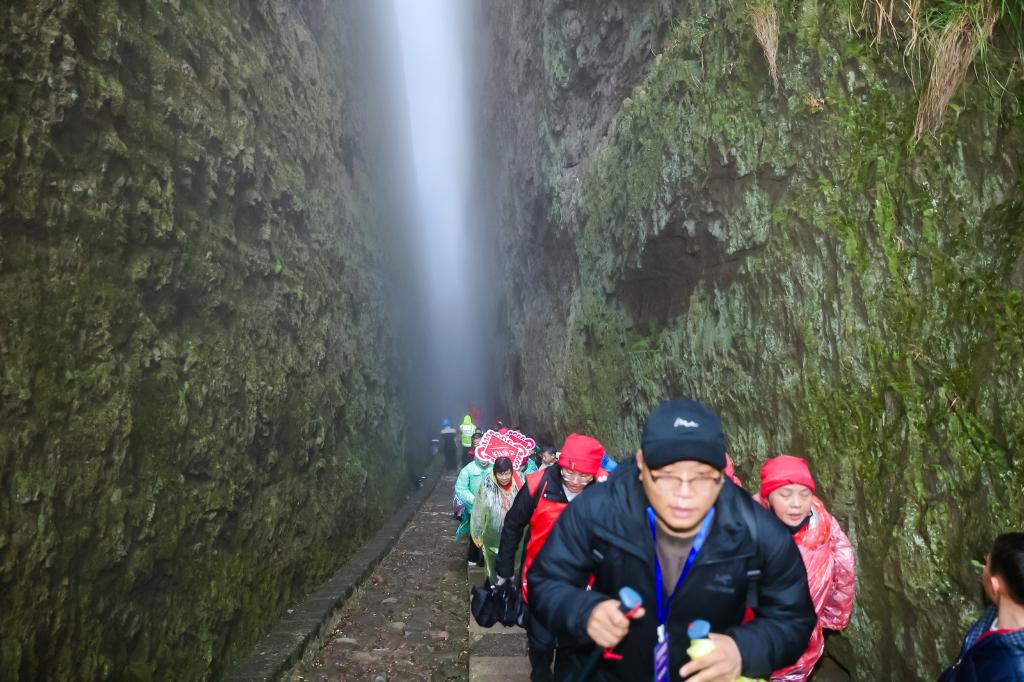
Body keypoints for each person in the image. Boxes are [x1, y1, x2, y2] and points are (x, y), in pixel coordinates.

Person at [528, 398, 816, 682]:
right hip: (612, 672)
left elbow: (793, 618)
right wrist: (585, 612)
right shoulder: (600, 510)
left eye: (702, 477)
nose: (684, 494)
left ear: (721, 474)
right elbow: (546, 579)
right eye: (667, 476)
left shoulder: (755, 530)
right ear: (641, 465)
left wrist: (742, 649)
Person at [495, 433, 607, 682]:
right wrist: (505, 570)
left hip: (582, 584)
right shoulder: (538, 484)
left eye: (584, 476)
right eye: (569, 473)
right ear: (559, 463)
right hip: (540, 579)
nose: (575, 481)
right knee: (541, 642)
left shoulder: (604, 490)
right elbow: (513, 524)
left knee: (570, 646)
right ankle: (541, 671)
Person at [755, 455, 856, 682]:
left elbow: (844, 567)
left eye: (804, 494)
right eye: (785, 494)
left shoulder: (824, 525)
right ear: (767, 497)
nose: (796, 503)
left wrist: (833, 615)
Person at [939, 532, 1024, 681]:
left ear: (994, 585)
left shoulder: (1010, 671)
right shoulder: (993, 615)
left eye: (986, 564)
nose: (983, 571)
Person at [471, 456, 524, 580]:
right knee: (493, 566)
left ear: (512, 472)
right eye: (500, 474)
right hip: (493, 535)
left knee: (515, 563)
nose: (504, 478)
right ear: (495, 473)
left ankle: (513, 587)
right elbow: (478, 510)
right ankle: (493, 586)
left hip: (516, 533)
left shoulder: (521, 480)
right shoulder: (487, 484)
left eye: (507, 474)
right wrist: (477, 534)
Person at [455, 444, 491, 566]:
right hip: (474, 509)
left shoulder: (494, 468)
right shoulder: (468, 470)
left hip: (492, 508)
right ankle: (473, 559)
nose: (484, 460)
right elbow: (461, 489)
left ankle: (486, 561)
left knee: (490, 535)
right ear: (476, 455)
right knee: (475, 534)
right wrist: (475, 500)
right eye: (481, 456)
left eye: (486, 456)